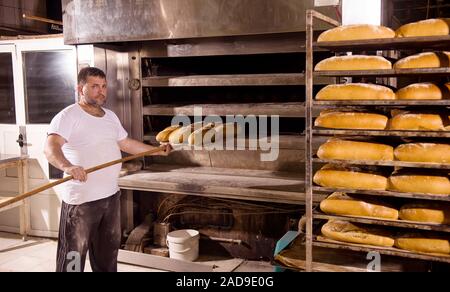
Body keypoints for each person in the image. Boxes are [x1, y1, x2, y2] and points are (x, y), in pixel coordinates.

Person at [44, 67, 171, 272]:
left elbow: (126, 144)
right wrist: (68, 166)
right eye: (94, 86)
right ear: (80, 88)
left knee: (107, 258)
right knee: (73, 261)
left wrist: (156, 151)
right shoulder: (68, 116)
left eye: (103, 86)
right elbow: (50, 148)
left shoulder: (110, 116)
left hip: (109, 198)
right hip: (81, 203)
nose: (101, 91)